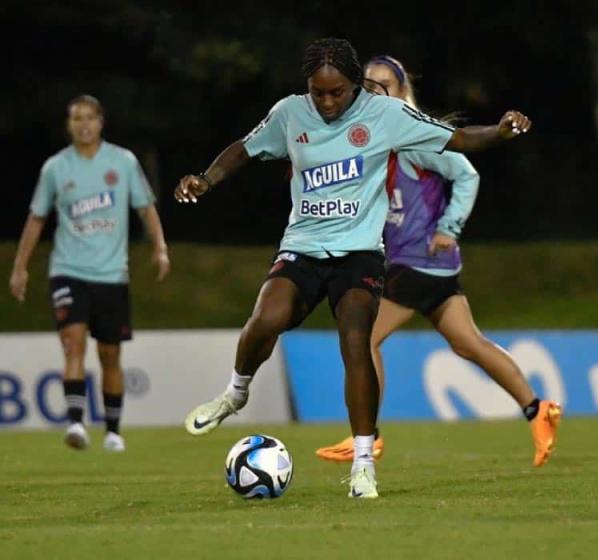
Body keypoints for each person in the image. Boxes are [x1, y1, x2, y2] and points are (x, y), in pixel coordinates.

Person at [176, 38, 532, 499]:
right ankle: (236, 392)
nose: (326, 102)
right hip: (303, 246)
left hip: (360, 251)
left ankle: (364, 463)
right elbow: (243, 149)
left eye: (337, 92)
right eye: (318, 92)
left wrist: (502, 131)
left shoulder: (387, 115)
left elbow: (458, 140)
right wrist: (205, 179)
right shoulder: (289, 113)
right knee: (266, 319)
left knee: (355, 338)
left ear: (354, 86)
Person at [314, 55, 562, 468]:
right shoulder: (368, 138)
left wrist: (450, 226)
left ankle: (367, 436)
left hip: (420, 261)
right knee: (469, 344)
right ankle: (538, 410)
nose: (374, 90)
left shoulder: (413, 136)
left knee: (363, 337)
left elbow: (467, 174)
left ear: (401, 93)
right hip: (428, 266)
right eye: (367, 84)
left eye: (383, 84)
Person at [9, 94, 171, 452]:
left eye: (89, 118)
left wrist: (160, 246)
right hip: (68, 270)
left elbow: (146, 208)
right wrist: (20, 267)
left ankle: (113, 431)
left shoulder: (122, 161)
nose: (83, 124)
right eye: (76, 118)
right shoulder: (56, 168)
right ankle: (76, 423)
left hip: (112, 274)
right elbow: (37, 218)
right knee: (73, 344)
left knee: (110, 354)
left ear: (101, 122)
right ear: (69, 124)